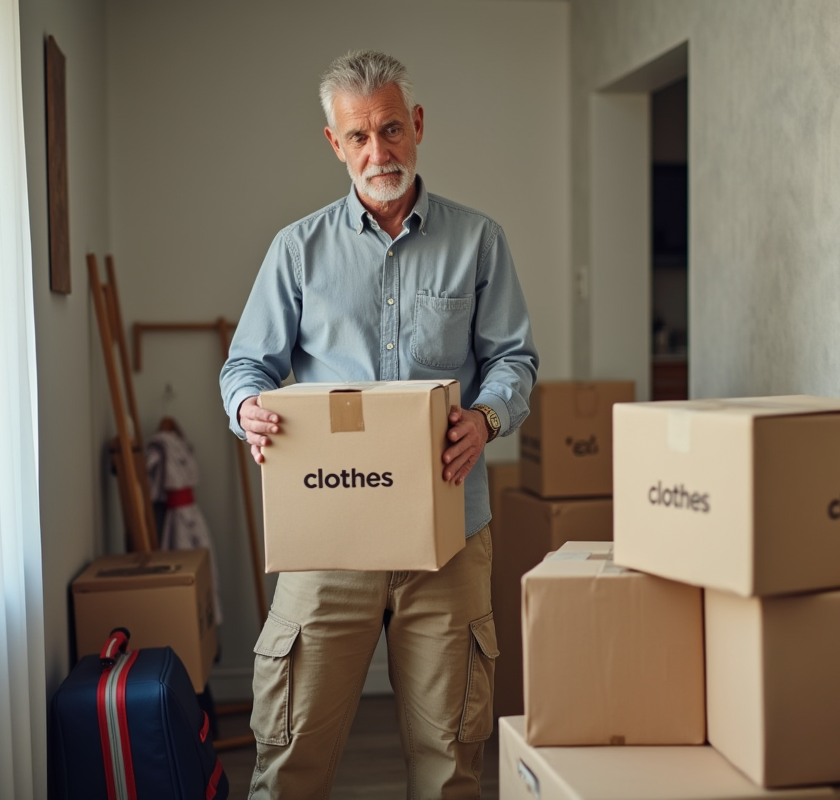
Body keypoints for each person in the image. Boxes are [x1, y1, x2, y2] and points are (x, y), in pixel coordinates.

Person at [219, 50, 539, 799]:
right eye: (358, 137)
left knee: (450, 758)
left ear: (417, 126)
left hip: (449, 533)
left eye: (391, 130)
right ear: (334, 143)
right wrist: (247, 411)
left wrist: (487, 418)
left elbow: (514, 362)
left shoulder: (478, 241)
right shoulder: (296, 250)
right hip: (329, 533)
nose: (378, 152)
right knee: (291, 753)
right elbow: (245, 369)